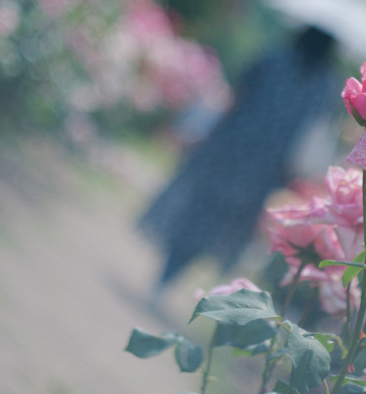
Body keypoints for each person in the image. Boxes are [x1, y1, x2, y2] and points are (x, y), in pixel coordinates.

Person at [138, 25, 341, 293]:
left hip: (231, 146)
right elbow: (315, 132)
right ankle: (172, 275)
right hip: (267, 168)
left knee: (199, 207)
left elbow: (235, 97)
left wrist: (207, 133)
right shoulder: (326, 85)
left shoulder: (274, 58)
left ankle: (167, 273)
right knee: (222, 224)